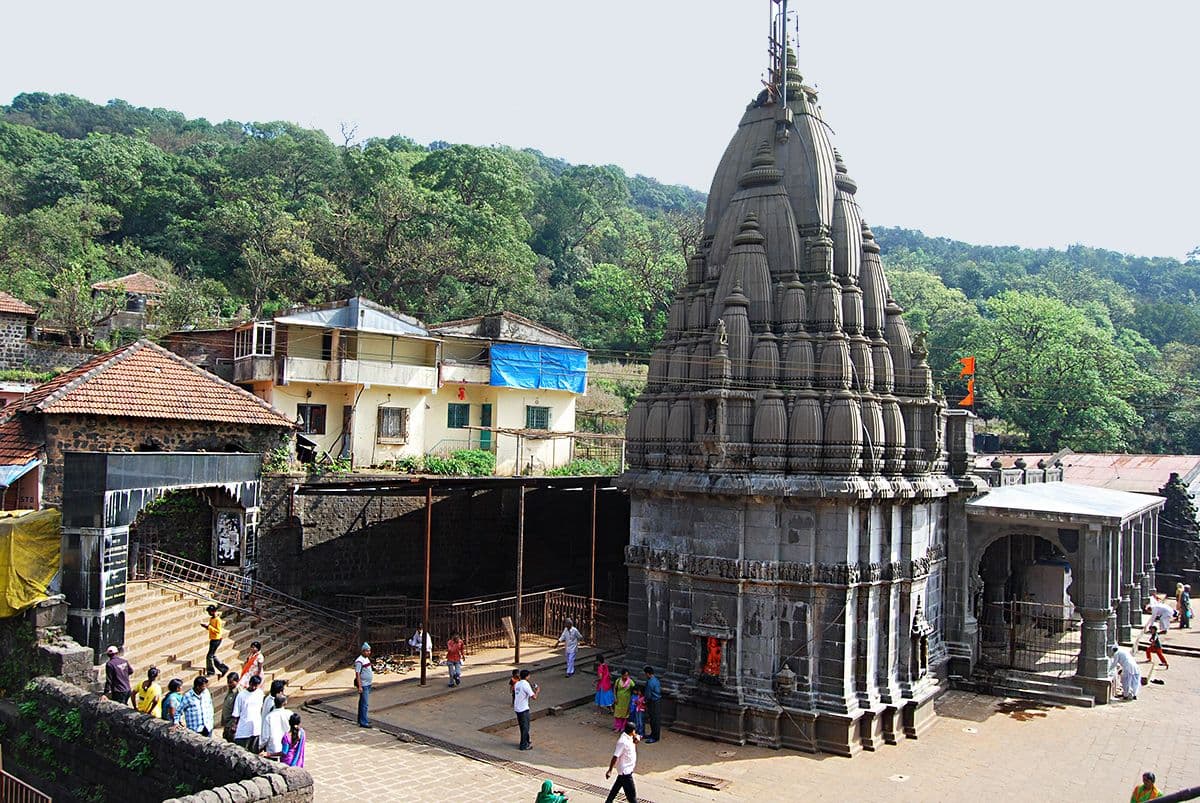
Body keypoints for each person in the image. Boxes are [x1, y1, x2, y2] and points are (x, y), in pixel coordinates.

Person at [604, 721, 641, 803]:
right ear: (632, 731)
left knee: (615, 790)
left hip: (625, 771)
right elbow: (615, 756)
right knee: (632, 796)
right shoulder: (623, 742)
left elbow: (637, 739)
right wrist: (610, 770)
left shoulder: (630, 737)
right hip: (625, 772)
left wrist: (635, 736)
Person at [233, 675, 265, 752]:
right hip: (243, 728)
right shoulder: (241, 695)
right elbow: (236, 712)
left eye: (256, 686)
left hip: (256, 728)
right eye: (252, 685)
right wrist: (234, 725)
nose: (254, 688)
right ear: (249, 683)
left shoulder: (260, 693)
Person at [261, 693, 293, 757]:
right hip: (287, 749)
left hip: (273, 749)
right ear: (285, 703)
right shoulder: (290, 714)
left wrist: (260, 746)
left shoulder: (269, 717)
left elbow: (265, 737)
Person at [513, 669, 538, 751]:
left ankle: (527, 741)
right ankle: (523, 745)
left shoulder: (517, 683)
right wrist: (537, 691)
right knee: (525, 727)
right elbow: (534, 697)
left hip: (517, 707)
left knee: (522, 725)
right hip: (523, 708)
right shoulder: (525, 684)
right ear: (527, 676)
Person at [204, 605, 230, 676]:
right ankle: (223, 668)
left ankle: (211, 671)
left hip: (216, 639)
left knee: (209, 656)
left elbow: (218, 631)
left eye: (210, 612)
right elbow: (211, 627)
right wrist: (206, 627)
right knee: (212, 655)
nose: (209, 613)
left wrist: (209, 627)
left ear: (213, 611)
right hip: (212, 638)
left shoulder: (218, 620)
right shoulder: (211, 619)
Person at [354, 643, 373, 728]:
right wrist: (360, 686)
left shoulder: (366, 659)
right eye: (367, 651)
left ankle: (362, 719)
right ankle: (363, 722)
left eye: (369, 650)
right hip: (364, 684)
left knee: (362, 703)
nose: (369, 652)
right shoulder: (359, 661)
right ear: (363, 651)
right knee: (365, 704)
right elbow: (357, 674)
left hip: (368, 683)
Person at [642, 666, 661, 743]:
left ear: (648, 674)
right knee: (654, 719)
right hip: (656, 701)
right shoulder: (656, 680)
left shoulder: (650, 682)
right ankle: (653, 734)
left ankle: (655, 737)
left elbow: (648, 695)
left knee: (654, 719)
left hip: (653, 701)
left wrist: (645, 701)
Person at [612, 668, 635, 733]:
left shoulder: (630, 682)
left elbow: (634, 688)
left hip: (627, 701)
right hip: (618, 700)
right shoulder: (618, 681)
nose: (625, 677)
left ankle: (623, 727)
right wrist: (615, 698)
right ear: (621, 675)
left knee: (625, 715)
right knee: (617, 714)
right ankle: (617, 727)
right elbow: (614, 689)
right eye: (624, 675)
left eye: (627, 675)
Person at [221, 672, 242, 741]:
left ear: (237, 681)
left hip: (231, 724)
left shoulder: (238, 693)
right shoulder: (230, 691)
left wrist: (234, 724)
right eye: (228, 682)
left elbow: (239, 710)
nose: (229, 684)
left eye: (231, 682)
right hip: (227, 723)